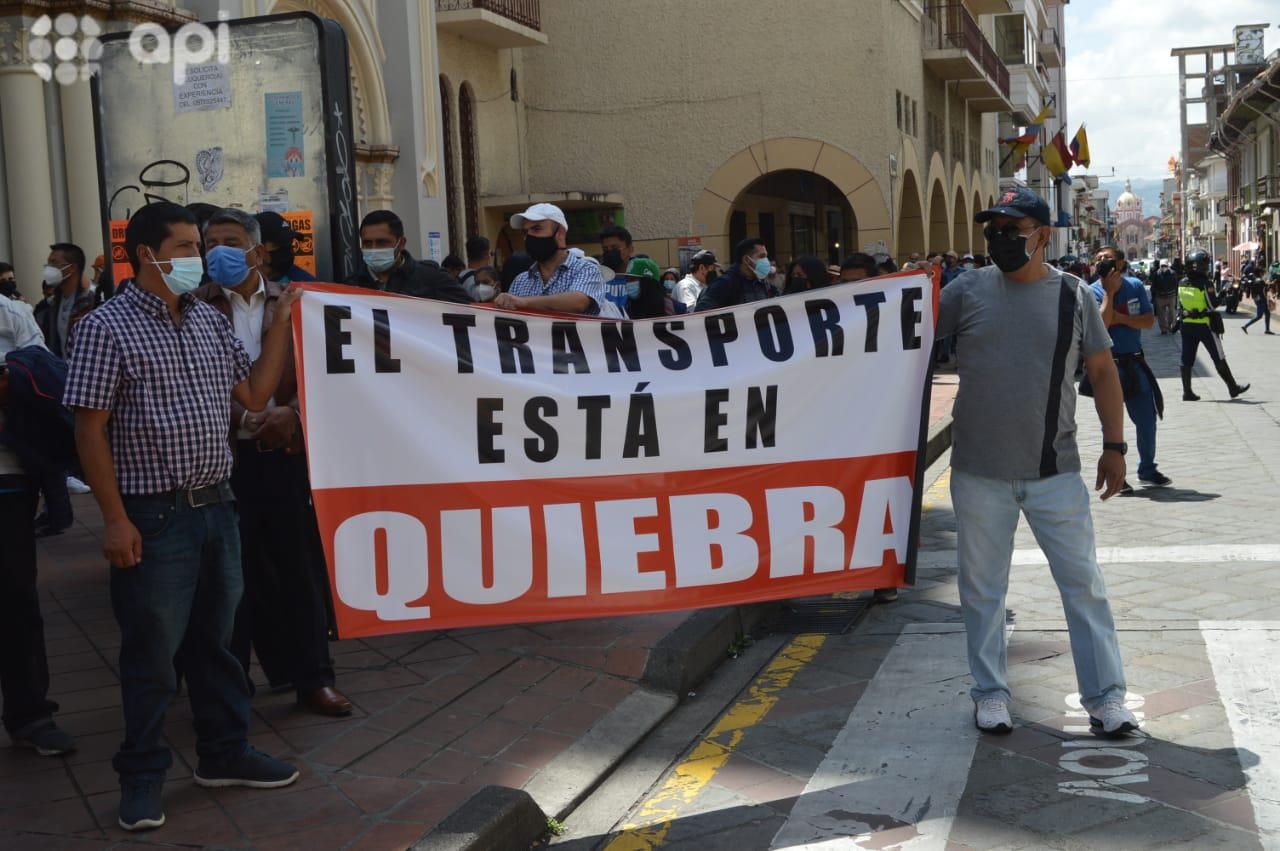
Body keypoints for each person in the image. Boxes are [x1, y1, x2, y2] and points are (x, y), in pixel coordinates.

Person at [64, 202, 301, 832]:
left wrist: (280, 325)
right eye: (188, 246)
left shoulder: (205, 320)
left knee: (217, 644)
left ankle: (224, 752)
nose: (202, 256)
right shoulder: (104, 327)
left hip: (217, 504)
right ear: (148, 254)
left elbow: (253, 396)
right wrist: (115, 520)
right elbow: (89, 431)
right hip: (154, 515)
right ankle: (142, 777)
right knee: (152, 656)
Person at [937, 187, 1137, 738]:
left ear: (1043, 235)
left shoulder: (1073, 295)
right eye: (993, 230)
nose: (999, 238)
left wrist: (1116, 447)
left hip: (1056, 473)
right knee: (982, 591)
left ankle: (1106, 697)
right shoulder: (965, 291)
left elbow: (1103, 372)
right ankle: (990, 693)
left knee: (1083, 585)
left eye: (1012, 229)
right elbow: (903, 338)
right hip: (978, 471)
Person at [195, 207, 352, 719]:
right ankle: (232, 686)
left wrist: (295, 415)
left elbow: (330, 374)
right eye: (210, 243)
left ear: (257, 251)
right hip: (222, 460)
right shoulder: (193, 309)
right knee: (230, 580)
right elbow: (190, 384)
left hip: (284, 459)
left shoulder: (298, 302)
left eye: (230, 241)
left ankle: (314, 680)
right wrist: (242, 414)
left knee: (298, 573)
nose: (218, 251)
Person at [1, 300, 77, 759]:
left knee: (15, 597)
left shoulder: (10, 314)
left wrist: (12, 382)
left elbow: (45, 374)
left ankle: (30, 714)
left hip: (9, 476)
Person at [1089, 246, 1170, 491]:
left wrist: (1120, 318)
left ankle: (1147, 468)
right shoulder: (1090, 291)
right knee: (1111, 424)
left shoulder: (1135, 286)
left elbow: (1148, 321)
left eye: (1108, 258)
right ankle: (1117, 476)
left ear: (1121, 264)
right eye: (1098, 259)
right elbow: (1100, 326)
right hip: (1108, 365)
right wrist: (1109, 294)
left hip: (1134, 363)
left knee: (1147, 419)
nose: (1103, 261)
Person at [496, 204, 606, 315]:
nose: (528, 237)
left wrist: (524, 302)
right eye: (525, 232)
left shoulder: (587, 269)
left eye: (536, 229)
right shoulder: (520, 281)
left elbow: (578, 302)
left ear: (560, 233)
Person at [348, 210, 471, 303]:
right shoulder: (351, 286)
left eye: (382, 242)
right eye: (367, 243)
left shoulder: (432, 278)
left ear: (401, 243)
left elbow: (473, 312)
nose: (374, 248)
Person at [1177, 249, 1249, 401]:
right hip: (1204, 325)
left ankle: (1187, 392)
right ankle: (1232, 387)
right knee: (1218, 357)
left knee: (1186, 358)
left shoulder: (1182, 282)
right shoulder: (1205, 283)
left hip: (1186, 325)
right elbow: (1212, 305)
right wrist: (1222, 293)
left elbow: (1180, 304)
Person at [34, 243, 94, 359]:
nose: (48, 268)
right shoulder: (49, 305)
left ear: (72, 268)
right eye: (48, 263)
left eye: (54, 263)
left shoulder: (93, 302)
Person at [695, 237, 779, 311]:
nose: (766, 261)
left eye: (766, 256)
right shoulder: (724, 284)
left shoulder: (764, 284)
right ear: (746, 260)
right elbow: (700, 315)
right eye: (762, 256)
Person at [255, 212, 316, 285]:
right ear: (259, 250)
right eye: (281, 243)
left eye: (290, 242)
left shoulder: (306, 284)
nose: (287, 247)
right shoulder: (244, 282)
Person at [1150, 260, 1179, 334]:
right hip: (1160, 297)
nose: (1163, 267)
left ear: (1168, 266)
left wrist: (1176, 295)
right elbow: (1153, 286)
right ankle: (1163, 329)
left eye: (1165, 266)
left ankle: (1170, 326)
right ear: (1160, 266)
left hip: (1171, 296)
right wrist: (1153, 296)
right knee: (1161, 314)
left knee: (1172, 313)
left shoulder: (1172, 273)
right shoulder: (1156, 274)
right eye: (1162, 266)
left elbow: (1176, 284)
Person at [1241, 268, 1272, 334]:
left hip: (1257, 299)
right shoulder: (1260, 281)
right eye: (1263, 273)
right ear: (1260, 273)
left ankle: (1267, 329)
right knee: (1259, 316)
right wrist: (1269, 285)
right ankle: (1245, 326)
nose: (1264, 274)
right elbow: (1266, 289)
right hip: (1261, 299)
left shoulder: (1254, 280)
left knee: (1267, 313)